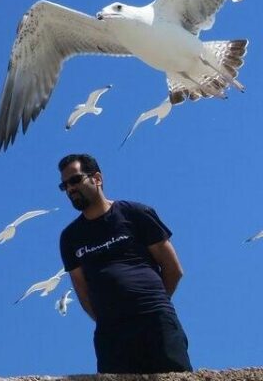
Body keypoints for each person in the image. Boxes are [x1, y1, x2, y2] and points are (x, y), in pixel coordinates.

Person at [57, 153, 192, 374]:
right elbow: (81, 291)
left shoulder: (135, 213)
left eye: (75, 180)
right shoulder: (70, 238)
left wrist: (152, 303)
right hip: (112, 335)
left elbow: (173, 268)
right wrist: (110, 318)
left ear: (97, 178)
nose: (70, 189)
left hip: (156, 323)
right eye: (64, 186)